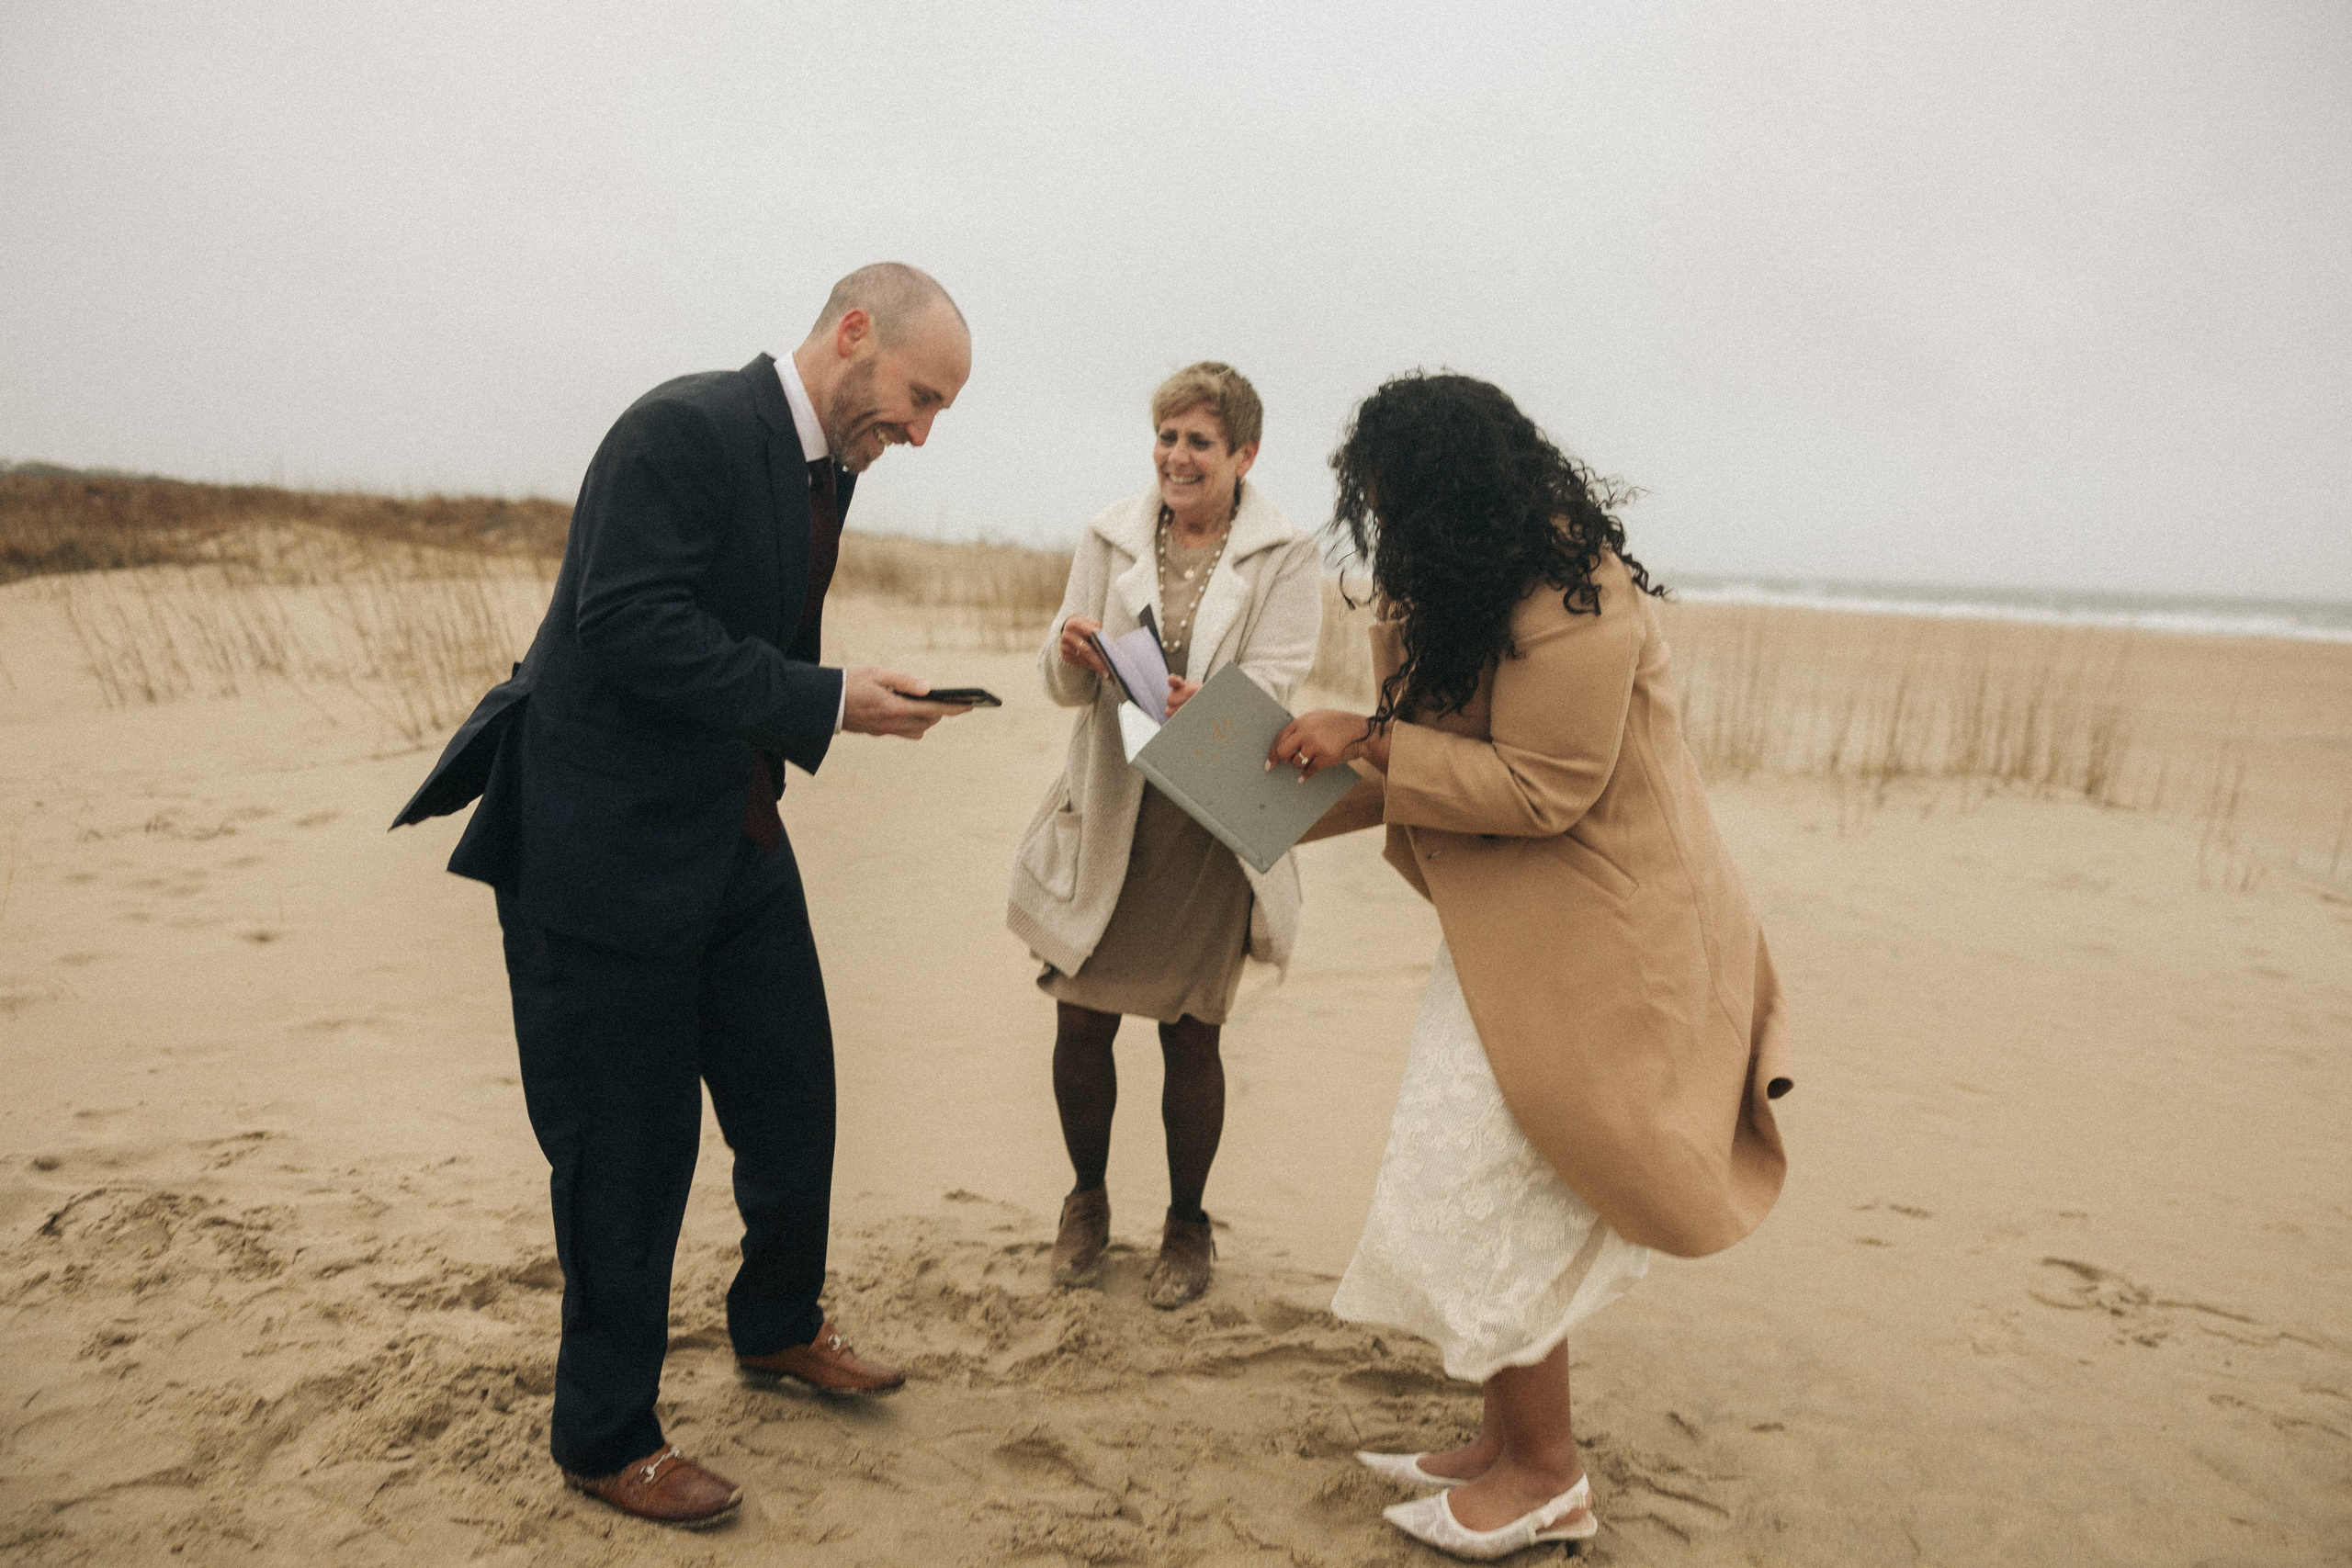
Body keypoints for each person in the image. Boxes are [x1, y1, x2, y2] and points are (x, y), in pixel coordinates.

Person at [390, 264, 976, 1529]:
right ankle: (606, 1432)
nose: (922, 432)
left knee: (793, 1098)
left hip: (735, 834)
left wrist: (827, 699)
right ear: (853, 333)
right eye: (920, 398)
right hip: (598, 854)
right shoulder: (684, 428)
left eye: (941, 414)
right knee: (627, 1153)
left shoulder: (833, 461)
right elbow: (628, 624)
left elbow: (735, 633)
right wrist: (826, 701)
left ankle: (774, 1324)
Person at [1271, 372, 1793, 1559]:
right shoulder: (1454, 584)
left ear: (1462, 493)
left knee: (1486, 1174)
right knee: (1476, 1161)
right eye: (1373, 504)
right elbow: (1427, 757)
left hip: (1614, 939)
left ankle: (1549, 1473)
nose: (1383, 526)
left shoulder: (1577, 589)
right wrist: (1248, 762)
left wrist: (1369, 732)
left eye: (1399, 504)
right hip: (1517, 928)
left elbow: (1539, 786)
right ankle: (1505, 1444)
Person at [1007, 362, 1322, 1308]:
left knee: (1191, 1036)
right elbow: (1065, 677)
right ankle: (1086, 1205)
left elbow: (1281, 674)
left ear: (1243, 455)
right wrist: (1068, 647)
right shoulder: (1109, 534)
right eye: (1167, 438)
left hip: (1207, 820)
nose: (1177, 457)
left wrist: (1212, 707)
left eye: (1199, 442)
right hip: (1113, 805)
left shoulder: (1285, 552)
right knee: (1079, 1014)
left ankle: (1187, 1226)